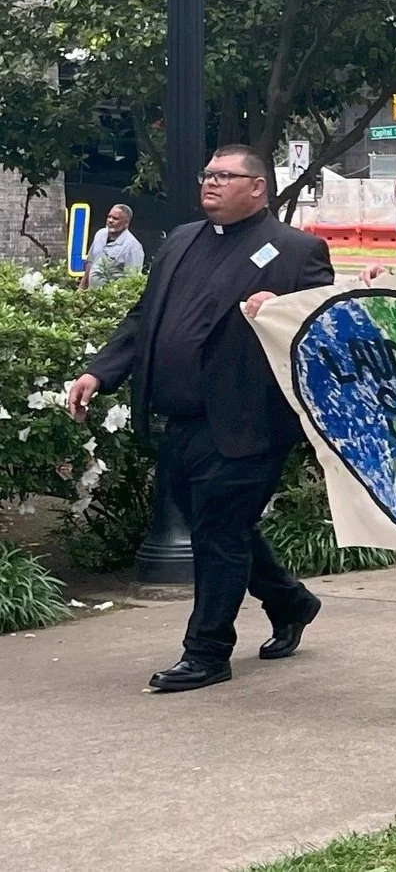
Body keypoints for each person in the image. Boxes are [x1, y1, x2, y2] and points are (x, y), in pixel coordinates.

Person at [66, 146, 332, 692]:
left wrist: (279, 307)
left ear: (257, 187)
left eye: (223, 176)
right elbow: (145, 317)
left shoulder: (296, 251)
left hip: (247, 422)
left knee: (218, 532)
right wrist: (101, 372)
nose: (209, 183)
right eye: (206, 174)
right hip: (180, 420)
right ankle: (290, 601)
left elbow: (323, 330)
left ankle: (207, 651)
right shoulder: (182, 240)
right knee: (220, 528)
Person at [80, 202, 145, 289]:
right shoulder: (100, 234)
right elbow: (90, 262)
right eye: (109, 216)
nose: (110, 220)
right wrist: (81, 288)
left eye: (115, 218)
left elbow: (133, 280)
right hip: (91, 295)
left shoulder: (133, 247)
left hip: (111, 299)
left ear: (126, 223)